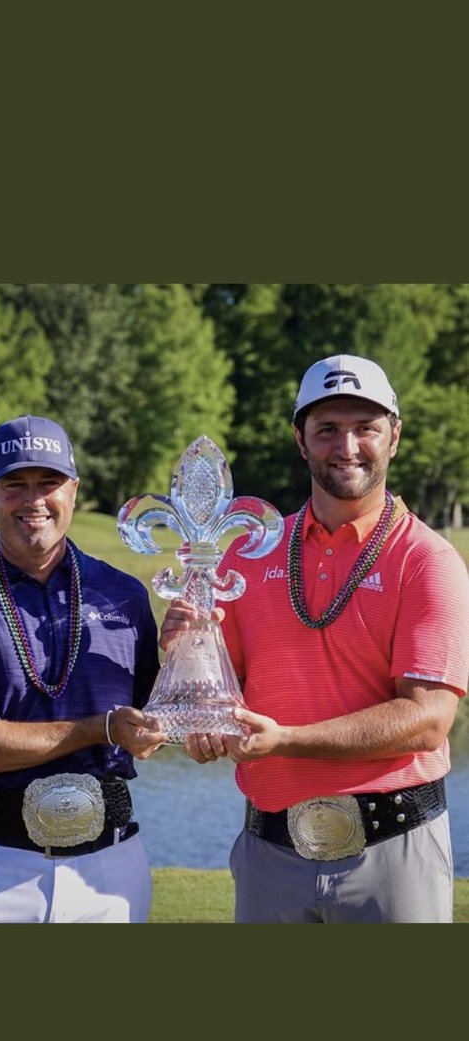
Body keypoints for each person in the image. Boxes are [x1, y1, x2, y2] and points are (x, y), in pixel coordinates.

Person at [160, 354, 469, 923]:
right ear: (300, 440)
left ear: (394, 437)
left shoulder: (427, 560)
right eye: (327, 429)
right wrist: (188, 668)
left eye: (365, 428)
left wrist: (285, 740)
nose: (346, 446)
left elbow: (427, 720)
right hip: (269, 850)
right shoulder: (249, 554)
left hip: (391, 849)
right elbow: (226, 695)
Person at [0, 414, 167, 923]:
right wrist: (102, 729)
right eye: (15, 484)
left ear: (74, 489)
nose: (34, 500)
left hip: (110, 867)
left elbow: (156, 719)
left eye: (49, 483)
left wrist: (190, 649)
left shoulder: (123, 592)